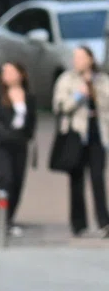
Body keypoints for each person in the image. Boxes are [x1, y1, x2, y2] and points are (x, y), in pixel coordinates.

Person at [53, 44, 109, 237]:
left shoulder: (102, 81)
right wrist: (79, 95)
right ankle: (78, 224)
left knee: (98, 179)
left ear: (90, 59)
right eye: (75, 57)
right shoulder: (67, 80)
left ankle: (104, 222)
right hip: (76, 135)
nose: (77, 61)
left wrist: (95, 91)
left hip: (97, 134)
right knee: (76, 181)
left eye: (81, 57)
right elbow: (60, 106)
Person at [0, 61, 37, 237]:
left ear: (21, 74)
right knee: (7, 177)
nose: (7, 75)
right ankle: (2, 217)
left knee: (18, 181)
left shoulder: (28, 96)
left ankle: (9, 218)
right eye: (5, 72)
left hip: (20, 143)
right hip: (1, 143)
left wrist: (28, 136)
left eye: (11, 71)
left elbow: (31, 121)